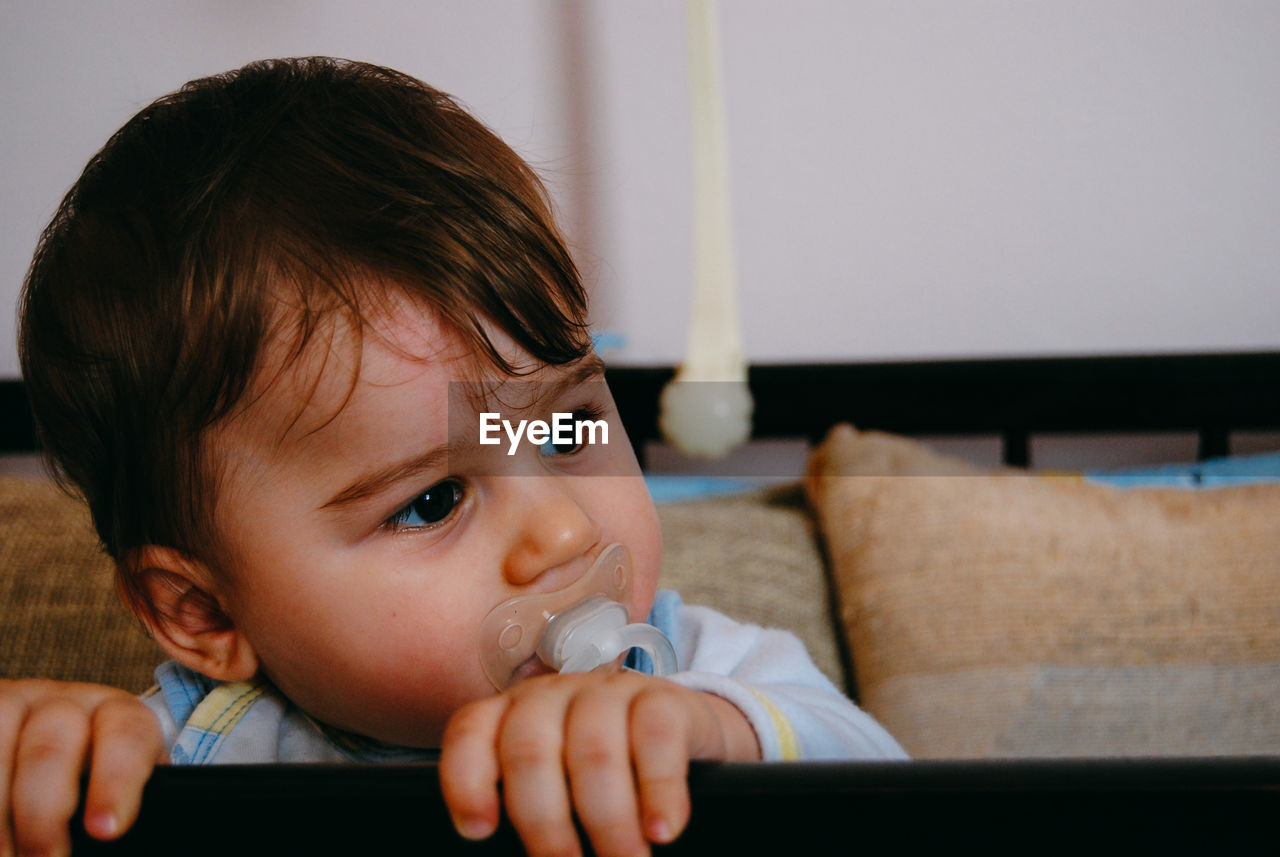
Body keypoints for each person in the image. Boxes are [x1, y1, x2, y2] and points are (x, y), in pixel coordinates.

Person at [1, 57, 906, 857]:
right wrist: (42, 775)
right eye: (432, 501)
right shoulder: (165, 763)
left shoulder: (704, 669)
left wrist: (713, 734)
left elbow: (893, 794)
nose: (561, 528)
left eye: (561, 431)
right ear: (203, 612)